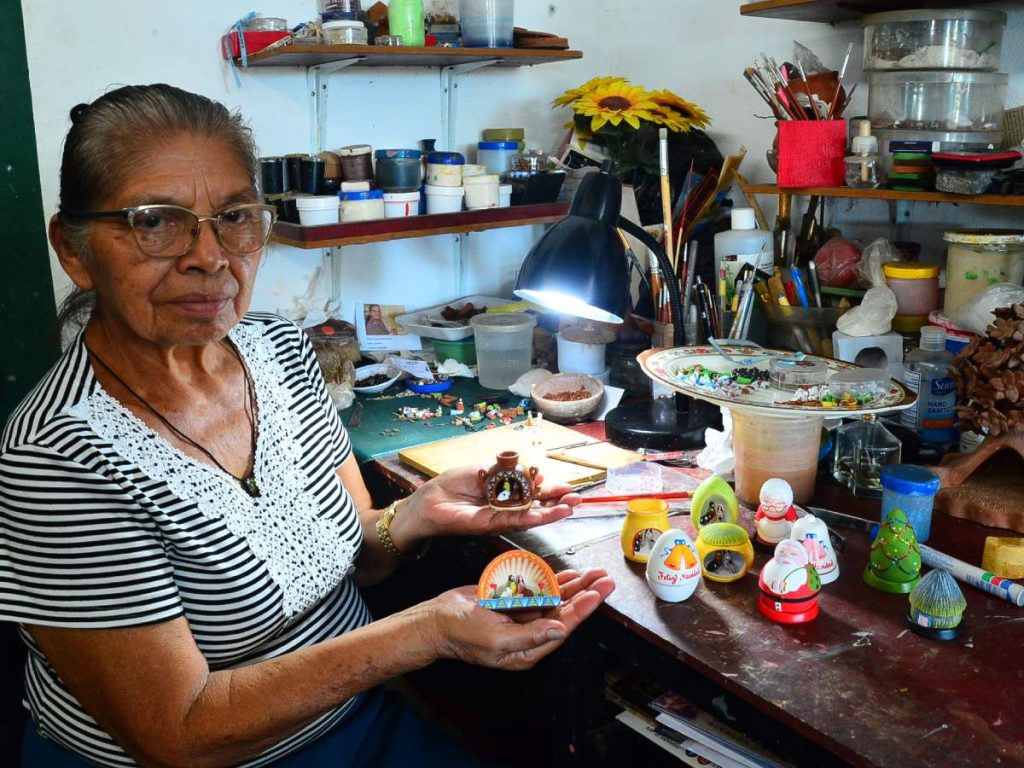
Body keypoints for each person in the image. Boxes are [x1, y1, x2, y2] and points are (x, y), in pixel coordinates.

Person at [0, 84, 614, 768]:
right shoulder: (56, 455)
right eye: (156, 222)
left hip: (355, 720)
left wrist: (414, 514)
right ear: (75, 249)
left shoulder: (280, 351)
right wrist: (430, 632)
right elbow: (178, 731)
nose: (209, 256)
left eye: (234, 217)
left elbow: (359, 560)